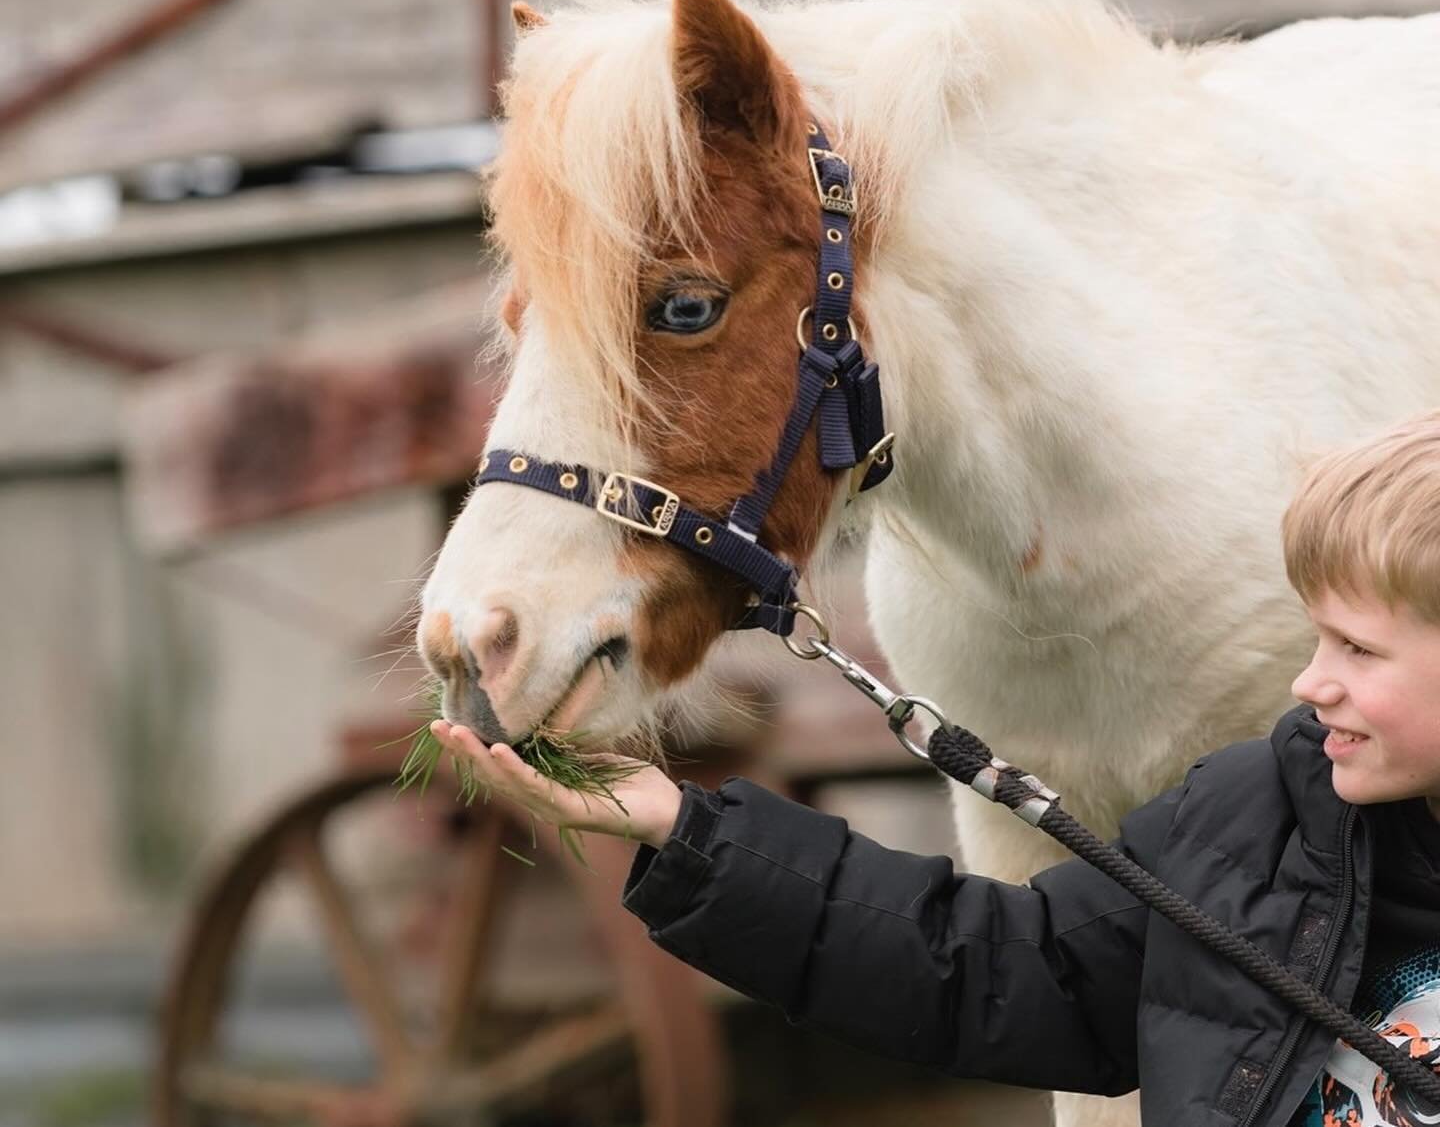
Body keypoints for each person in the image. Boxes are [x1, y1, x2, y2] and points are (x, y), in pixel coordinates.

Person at [430, 411, 1440, 1125]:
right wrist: (682, 831)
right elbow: (997, 967)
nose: (1311, 685)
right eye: (1315, 640)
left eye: (1357, 650)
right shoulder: (1257, 820)